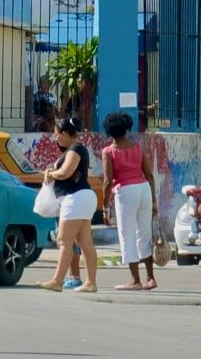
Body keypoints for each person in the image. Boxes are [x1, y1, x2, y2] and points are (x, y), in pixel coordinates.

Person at [38, 117, 99, 294]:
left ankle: (57, 281)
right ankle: (90, 282)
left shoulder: (76, 148)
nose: (56, 138)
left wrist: (51, 174)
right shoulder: (72, 150)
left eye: (57, 134)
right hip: (81, 198)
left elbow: (66, 173)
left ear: (65, 133)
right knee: (85, 242)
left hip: (75, 198)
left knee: (64, 240)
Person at [101, 112, 157, 292]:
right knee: (144, 234)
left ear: (109, 132)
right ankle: (150, 278)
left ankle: (135, 280)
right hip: (144, 189)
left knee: (127, 235)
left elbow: (108, 181)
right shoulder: (137, 147)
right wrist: (154, 201)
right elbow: (149, 174)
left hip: (125, 192)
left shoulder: (109, 151)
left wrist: (105, 207)